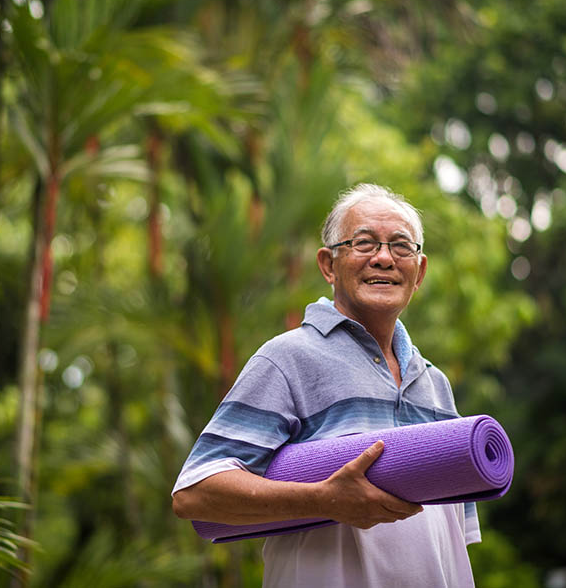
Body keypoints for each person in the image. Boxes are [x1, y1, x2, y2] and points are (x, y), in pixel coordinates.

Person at [171, 183, 480, 587]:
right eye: (364, 243)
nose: (384, 258)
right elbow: (193, 493)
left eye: (401, 246)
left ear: (419, 271)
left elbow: (452, 539)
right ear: (328, 265)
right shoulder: (287, 359)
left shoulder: (434, 383)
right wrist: (323, 499)